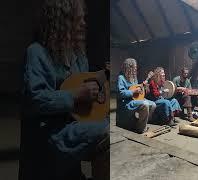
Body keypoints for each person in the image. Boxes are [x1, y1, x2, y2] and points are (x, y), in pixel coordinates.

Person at [20, 0, 109, 179]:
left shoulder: (79, 57)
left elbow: (85, 99)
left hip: (74, 126)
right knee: (108, 130)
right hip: (51, 134)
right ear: (63, 19)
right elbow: (35, 99)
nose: (84, 23)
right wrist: (76, 95)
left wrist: (97, 94)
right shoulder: (37, 52)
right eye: (79, 18)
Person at [116, 58, 156, 134]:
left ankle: (140, 123)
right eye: (134, 67)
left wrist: (143, 87)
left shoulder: (134, 78)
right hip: (127, 102)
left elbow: (137, 89)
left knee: (153, 104)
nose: (136, 69)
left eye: (135, 67)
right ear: (129, 68)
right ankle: (141, 129)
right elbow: (120, 93)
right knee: (145, 104)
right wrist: (133, 91)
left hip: (135, 100)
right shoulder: (121, 78)